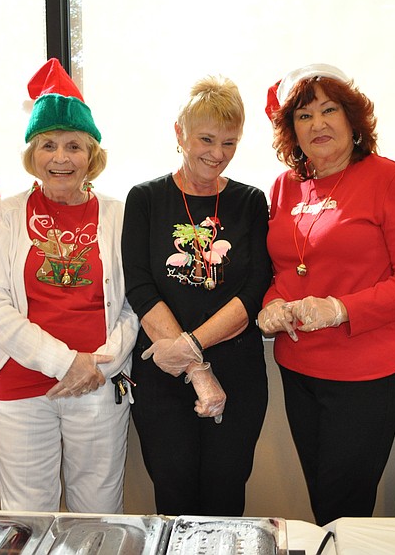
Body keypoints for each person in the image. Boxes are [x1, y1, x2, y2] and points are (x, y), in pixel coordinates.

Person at [258, 64, 395, 526]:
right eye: (303, 115)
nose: (317, 124)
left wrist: (339, 309)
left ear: (353, 120)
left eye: (329, 110)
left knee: (344, 508)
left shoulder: (388, 178)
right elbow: (285, 269)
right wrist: (271, 305)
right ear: (291, 130)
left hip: (365, 375)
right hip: (298, 368)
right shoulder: (284, 186)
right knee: (323, 501)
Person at [0, 59, 138, 513]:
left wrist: (98, 363)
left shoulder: (119, 215)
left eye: (73, 146)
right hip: (21, 388)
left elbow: (134, 304)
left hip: (97, 384)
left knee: (98, 512)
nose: (60, 158)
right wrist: (64, 362)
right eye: (48, 145)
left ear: (92, 155)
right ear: (33, 152)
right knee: (28, 516)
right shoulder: (6, 215)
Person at [122, 75, 271, 516]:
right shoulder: (145, 199)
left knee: (226, 496)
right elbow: (141, 286)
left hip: (237, 370)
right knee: (174, 493)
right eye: (207, 139)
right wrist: (194, 367)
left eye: (230, 143)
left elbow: (253, 290)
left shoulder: (250, 202)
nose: (217, 154)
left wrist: (193, 347)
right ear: (179, 134)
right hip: (162, 373)